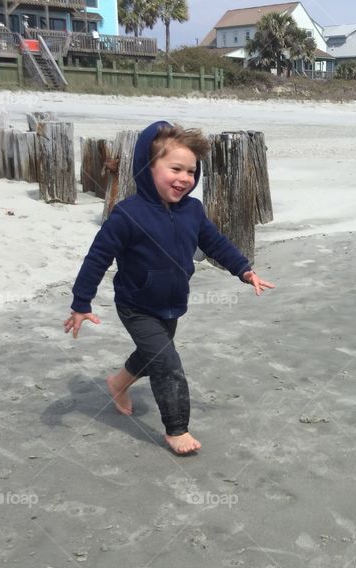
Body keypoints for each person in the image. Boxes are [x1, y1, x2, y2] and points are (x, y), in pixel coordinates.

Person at [64, 121, 275, 455]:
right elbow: (97, 258)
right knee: (167, 364)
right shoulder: (127, 215)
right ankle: (177, 429)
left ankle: (118, 383)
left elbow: (215, 243)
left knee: (153, 354)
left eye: (191, 171)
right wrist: (81, 303)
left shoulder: (192, 210)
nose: (185, 178)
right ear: (148, 169)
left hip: (174, 302)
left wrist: (244, 270)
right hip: (136, 304)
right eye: (175, 168)